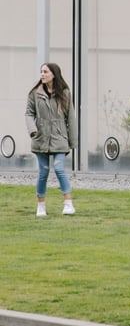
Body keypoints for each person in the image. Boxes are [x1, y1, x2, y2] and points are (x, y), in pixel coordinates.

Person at [25, 63, 77, 217]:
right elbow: (28, 113)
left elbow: (71, 118)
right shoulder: (34, 93)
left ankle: (68, 204)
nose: (42, 74)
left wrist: (72, 142)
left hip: (59, 138)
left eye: (45, 72)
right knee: (43, 173)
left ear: (54, 74)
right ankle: (40, 206)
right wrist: (32, 130)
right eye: (41, 71)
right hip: (40, 139)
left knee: (59, 169)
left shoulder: (65, 93)